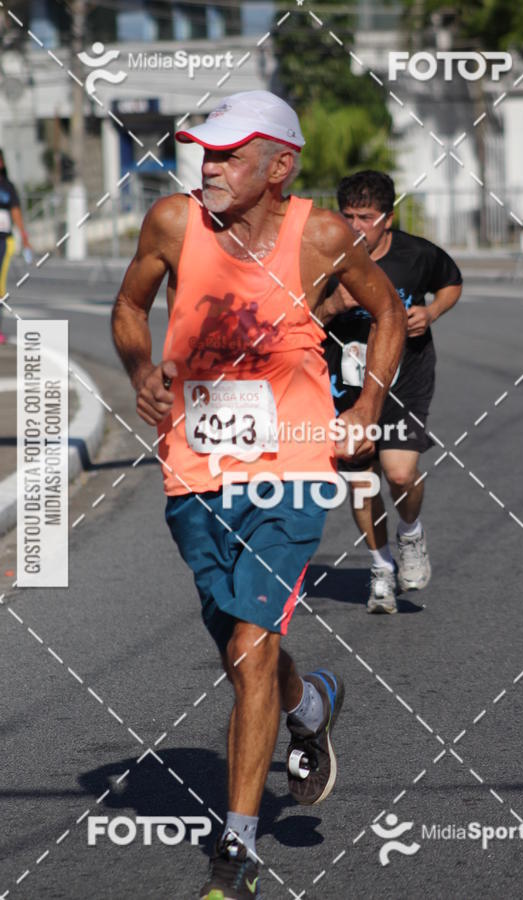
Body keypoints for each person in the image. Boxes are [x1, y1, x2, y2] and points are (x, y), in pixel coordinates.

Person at [111, 92, 405, 899]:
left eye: (228, 155)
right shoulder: (173, 222)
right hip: (196, 467)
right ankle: (307, 705)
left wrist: (367, 406)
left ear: (281, 166)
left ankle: (234, 851)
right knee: (240, 641)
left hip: (294, 465)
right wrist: (141, 369)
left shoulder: (322, 235)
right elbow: (130, 305)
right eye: (206, 153)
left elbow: (386, 310)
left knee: (249, 645)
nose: (210, 168)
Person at [322, 171, 462, 614]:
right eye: (347, 216)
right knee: (362, 480)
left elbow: (451, 282)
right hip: (345, 384)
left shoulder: (415, 254)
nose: (355, 226)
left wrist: (431, 312)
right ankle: (381, 566)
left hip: (405, 379)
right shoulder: (325, 256)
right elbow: (296, 314)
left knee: (400, 475)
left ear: (388, 218)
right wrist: (333, 305)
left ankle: (410, 533)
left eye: (366, 217)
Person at [0, 149, 32, 343]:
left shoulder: (8, 187)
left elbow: (16, 212)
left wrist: (24, 237)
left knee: (0, 286)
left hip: (4, 241)